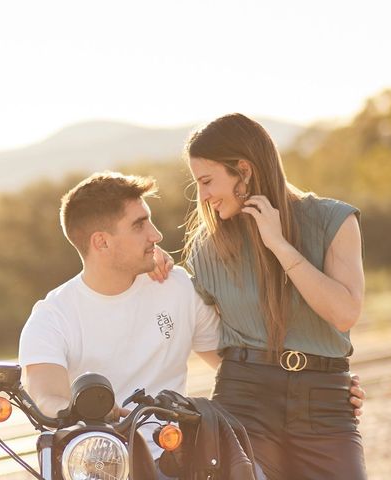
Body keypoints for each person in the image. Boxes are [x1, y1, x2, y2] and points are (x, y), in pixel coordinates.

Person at [18, 171, 365, 478]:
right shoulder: (53, 315)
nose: (155, 235)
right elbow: (47, 394)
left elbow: (240, 362)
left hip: (184, 460)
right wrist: (88, 411)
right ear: (101, 242)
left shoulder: (176, 286)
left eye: (149, 221)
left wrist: (322, 385)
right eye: (139, 225)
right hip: (104, 465)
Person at [182, 113, 367, 479]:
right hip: (245, 399)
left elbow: (344, 313)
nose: (202, 196)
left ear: (244, 170)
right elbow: (201, 334)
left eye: (207, 181)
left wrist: (279, 245)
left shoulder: (334, 220)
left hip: (325, 402)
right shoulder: (206, 249)